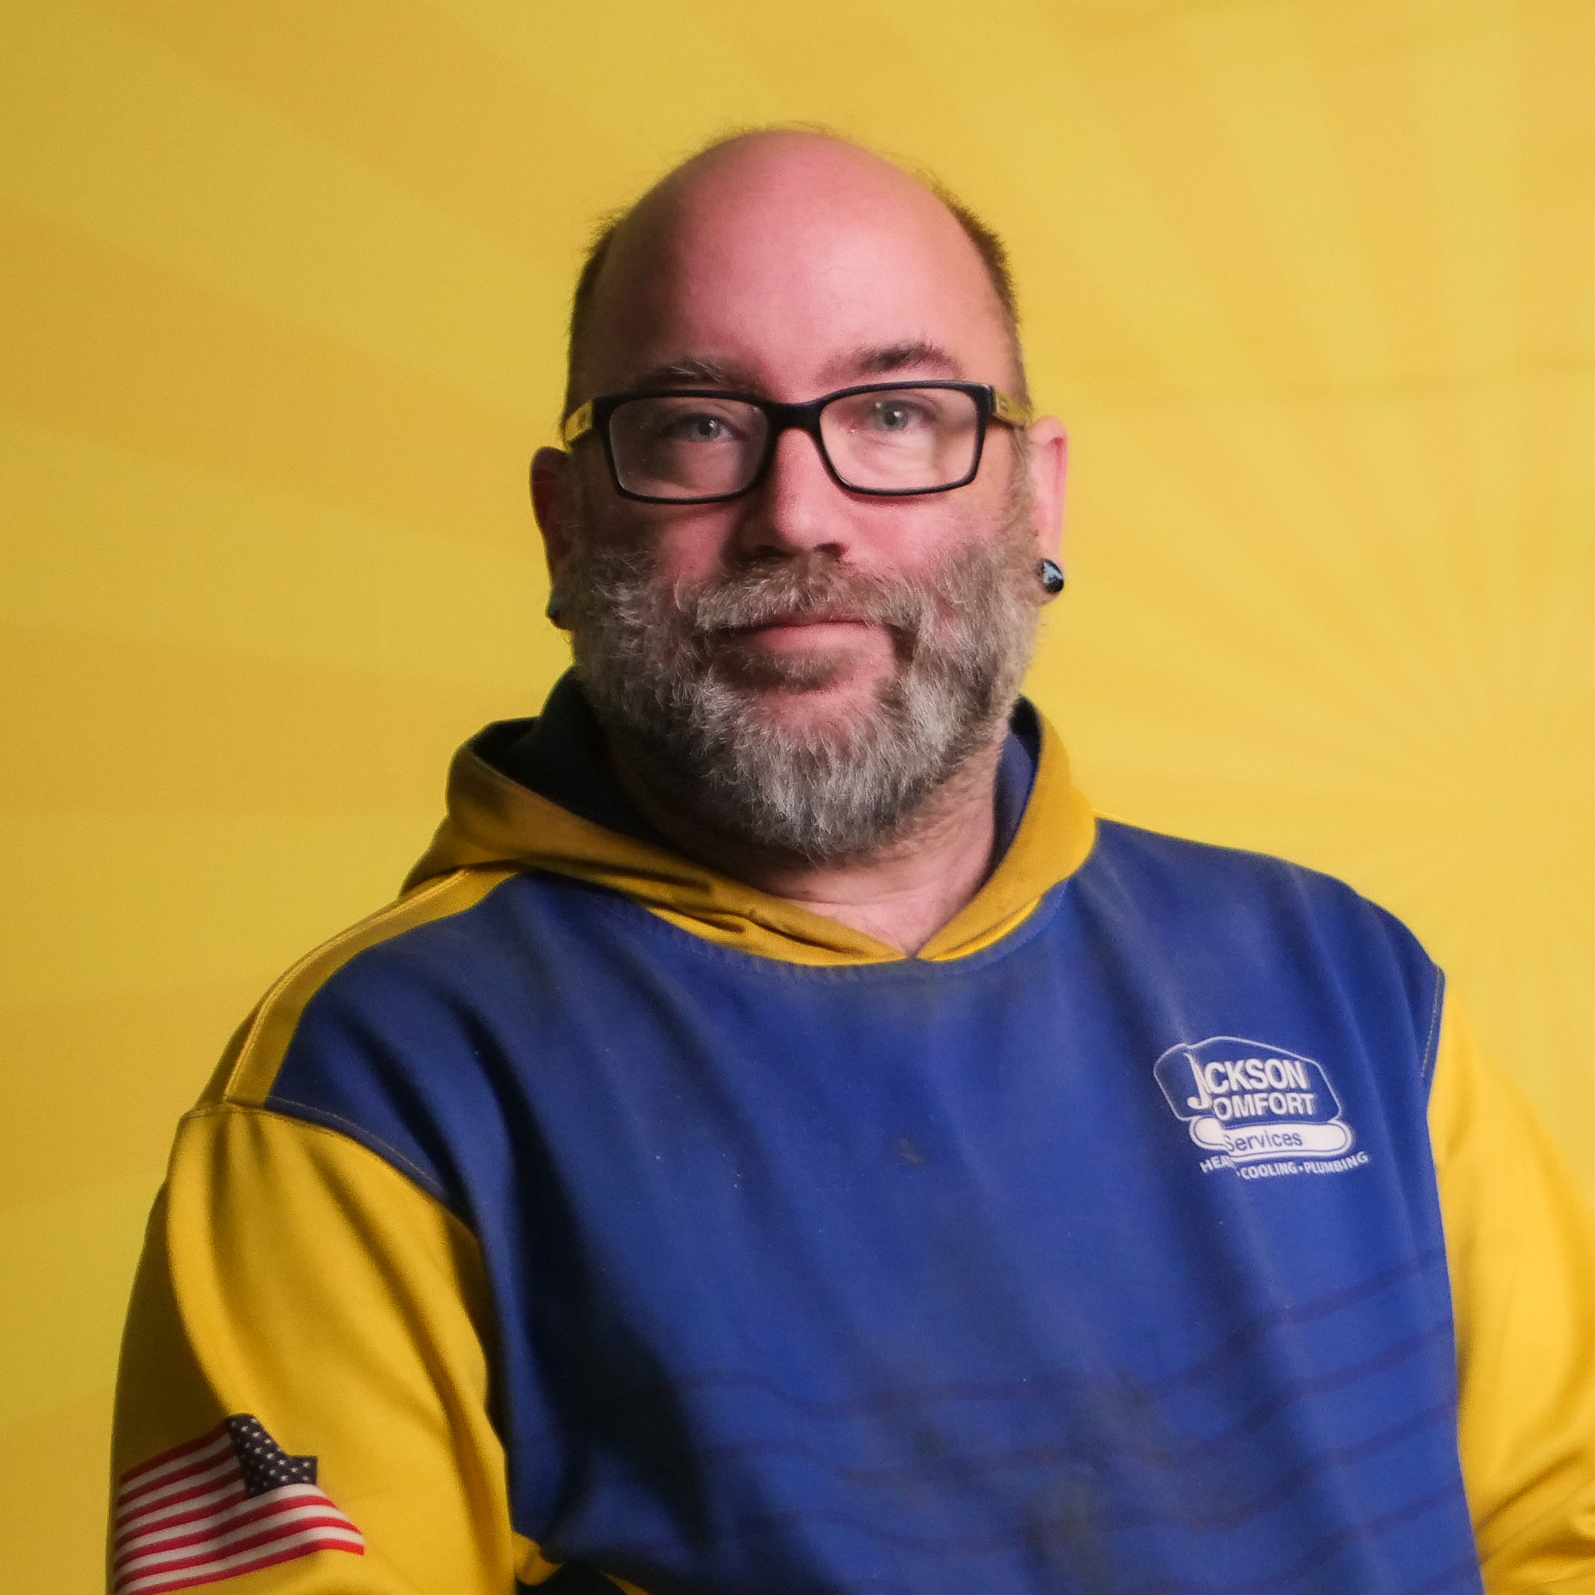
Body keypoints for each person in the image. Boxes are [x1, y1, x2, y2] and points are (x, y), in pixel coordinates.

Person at [110, 130, 1595, 1595]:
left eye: (895, 413)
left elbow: (1557, 1527)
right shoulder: (370, 1093)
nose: (799, 514)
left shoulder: (1344, 987)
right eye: (697, 424)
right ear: (567, 530)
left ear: (1037, 498)